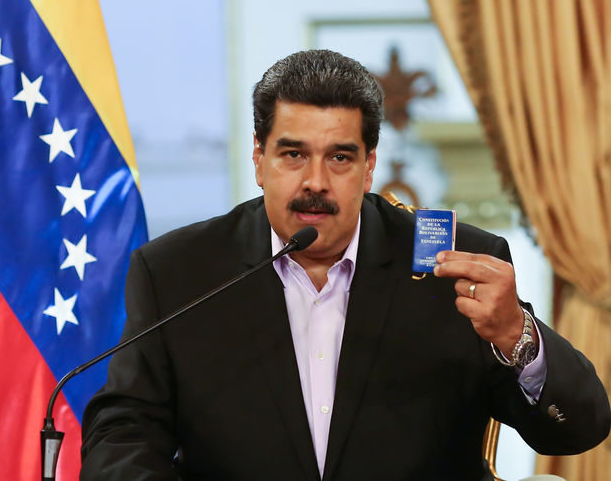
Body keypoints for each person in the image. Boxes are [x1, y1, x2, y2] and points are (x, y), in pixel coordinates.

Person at [80, 50, 610, 480]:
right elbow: (125, 430)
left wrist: (516, 335)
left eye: (339, 157)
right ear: (258, 160)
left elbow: (578, 429)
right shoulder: (180, 271)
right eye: (292, 155)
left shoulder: (458, 269)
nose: (315, 181)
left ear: (369, 166)